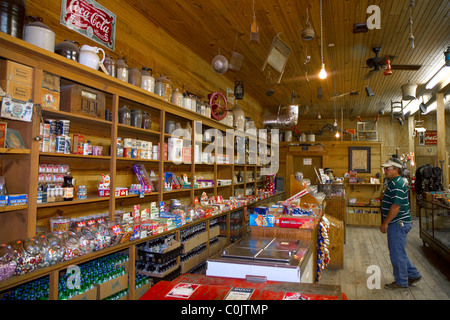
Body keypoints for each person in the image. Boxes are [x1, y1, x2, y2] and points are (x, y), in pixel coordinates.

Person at [380, 158, 421, 289]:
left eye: (388, 168)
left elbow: (395, 207)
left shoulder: (397, 184)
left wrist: (385, 223)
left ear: (396, 170)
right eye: (384, 168)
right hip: (399, 222)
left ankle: (401, 281)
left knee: (396, 253)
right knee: (399, 251)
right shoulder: (394, 182)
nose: (385, 171)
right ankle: (413, 274)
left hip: (398, 223)